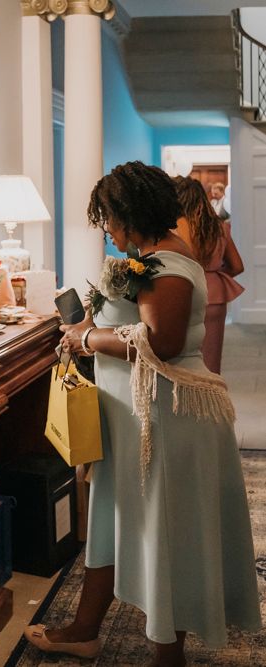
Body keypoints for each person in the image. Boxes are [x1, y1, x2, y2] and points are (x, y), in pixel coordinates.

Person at [23, 162, 261, 667]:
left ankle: (166, 658)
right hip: (135, 420)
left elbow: (163, 343)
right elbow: (134, 321)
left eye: (108, 217)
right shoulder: (151, 256)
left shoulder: (167, 266)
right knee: (113, 519)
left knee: (162, 534)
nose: (106, 228)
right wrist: (95, 321)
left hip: (166, 423)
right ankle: (86, 631)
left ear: (132, 214)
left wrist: (87, 337)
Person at [173, 176, 244, 373]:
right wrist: (213, 273)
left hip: (184, 293)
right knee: (211, 362)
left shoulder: (175, 226)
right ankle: (212, 401)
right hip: (215, 295)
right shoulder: (220, 226)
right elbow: (237, 266)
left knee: (183, 360)